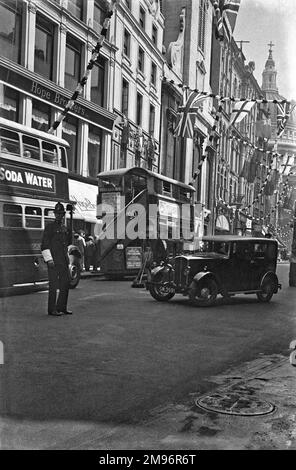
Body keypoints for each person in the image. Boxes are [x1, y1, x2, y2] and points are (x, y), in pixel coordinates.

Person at [41, 202, 73, 316]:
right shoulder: (50, 227)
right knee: (53, 285)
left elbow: (67, 244)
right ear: (55, 214)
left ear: (63, 215)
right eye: (57, 213)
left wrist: (68, 259)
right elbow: (44, 245)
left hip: (63, 260)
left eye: (61, 214)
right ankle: (52, 309)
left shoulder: (64, 228)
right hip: (53, 260)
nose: (59, 215)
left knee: (65, 283)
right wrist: (49, 259)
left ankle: (62, 307)